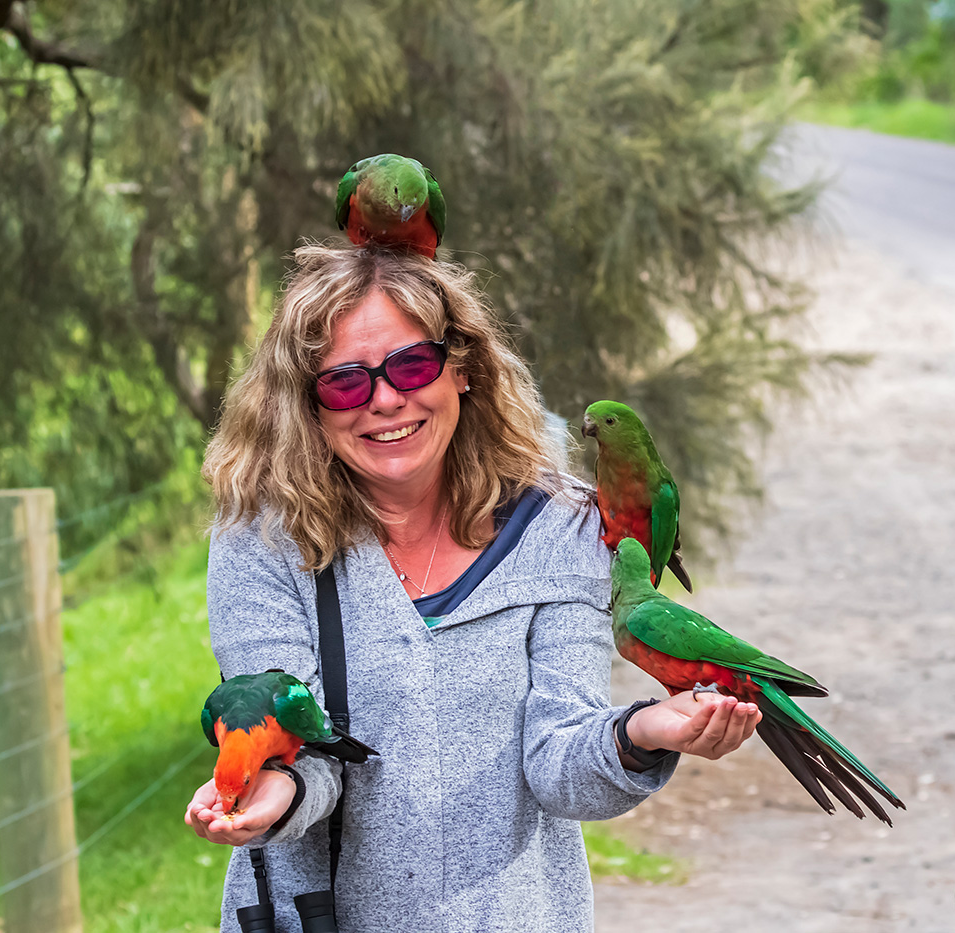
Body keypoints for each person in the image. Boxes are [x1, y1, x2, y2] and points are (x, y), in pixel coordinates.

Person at [184, 244, 760, 932]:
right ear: (306, 403)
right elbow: (291, 741)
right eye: (344, 382)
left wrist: (639, 733)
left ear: (461, 368)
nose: (385, 399)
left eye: (412, 365)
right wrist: (270, 785)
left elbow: (558, 761)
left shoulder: (566, 527)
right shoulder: (261, 537)